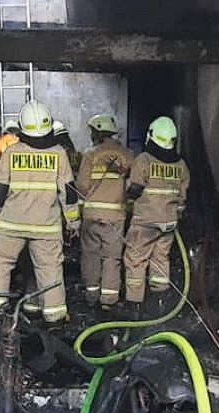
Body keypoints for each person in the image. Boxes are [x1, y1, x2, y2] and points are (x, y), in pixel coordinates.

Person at [0, 101, 80, 324]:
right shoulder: (59, 154)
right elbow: (69, 193)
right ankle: (54, 317)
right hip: (46, 228)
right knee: (49, 268)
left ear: (22, 128)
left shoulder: (11, 153)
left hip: (10, 226)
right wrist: (73, 222)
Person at [122, 116, 189, 320]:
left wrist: (126, 199)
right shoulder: (181, 164)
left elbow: (134, 190)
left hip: (145, 221)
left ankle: (134, 305)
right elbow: (182, 197)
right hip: (169, 222)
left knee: (136, 260)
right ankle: (160, 303)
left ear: (151, 136)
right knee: (161, 259)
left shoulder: (144, 160)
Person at [76, 114, 134, 311]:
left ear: (97, 132)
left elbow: (82, 186)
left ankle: (91, 296)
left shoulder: (90, 154)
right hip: (116, 216)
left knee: (91, 255)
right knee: (112, 257)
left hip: (92, 215)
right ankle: (109, 299)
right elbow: (133, 186)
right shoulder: (128, 154)